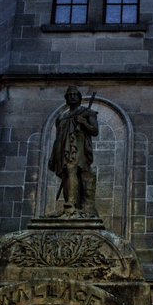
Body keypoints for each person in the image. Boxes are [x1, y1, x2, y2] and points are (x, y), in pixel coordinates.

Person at [49, 86, 99, 216]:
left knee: (72, 169)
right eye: (69, 94)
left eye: (75, 94)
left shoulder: (88, 112)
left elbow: (95, 131)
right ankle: (69, 204)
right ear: (66, 98)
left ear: (79, 97)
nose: (72, 96)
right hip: (62, 148)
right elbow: (57, 138)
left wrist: (83, 122)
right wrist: (52, 156)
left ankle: (71, 203)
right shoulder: (61, 117)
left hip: (78, 146)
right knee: (65, 174)